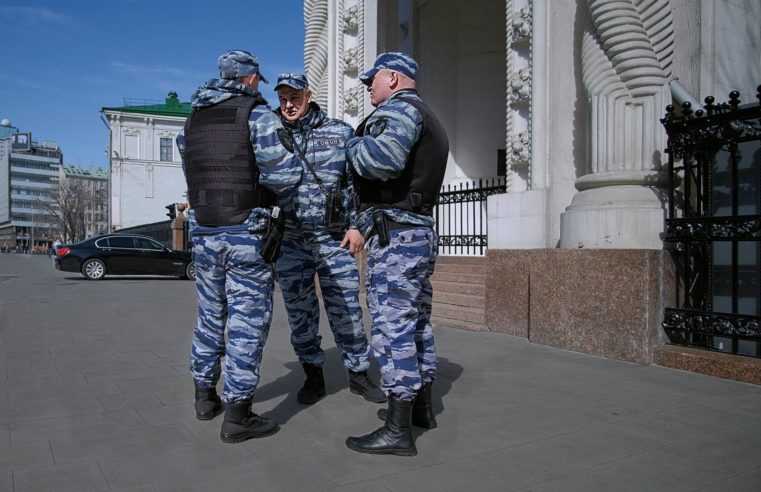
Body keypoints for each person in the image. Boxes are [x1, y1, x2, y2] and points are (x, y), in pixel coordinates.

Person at [177, 50, 300, 444]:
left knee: (211, 314)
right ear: (249, 79)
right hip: (245, 232)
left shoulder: (191, 120)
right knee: (246, 322)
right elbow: (285, 173)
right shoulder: (256, 113)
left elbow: (191, 171)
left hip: (205, 231)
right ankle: (238, 415)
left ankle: (203, 398)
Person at [344, 52, 449, 456]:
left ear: (392, 77)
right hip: (415, 232)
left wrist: (349, 146)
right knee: (417, 323)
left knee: (392, 330)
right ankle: (421, 407)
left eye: (372, 79)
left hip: (398, 238)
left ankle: (396, 430)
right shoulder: (428, 115)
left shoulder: (400, 110)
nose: (368, 86)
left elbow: (383, 161)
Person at [273, 73, 385, 406]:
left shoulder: (339, 133)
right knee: (300, 313)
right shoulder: (271, 135)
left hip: (333, 239)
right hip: (291, 240)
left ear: (308, 95)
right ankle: (313, 377)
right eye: (283, 100)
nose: (289, 105)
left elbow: (357, 186)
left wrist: (356, 227)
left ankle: (360, 374)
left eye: (294, 98)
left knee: (347, 308)